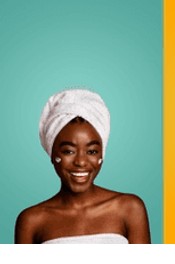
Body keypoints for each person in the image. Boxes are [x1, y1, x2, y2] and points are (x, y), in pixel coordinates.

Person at [15, 89, 150, 244]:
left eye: (92, 151)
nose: (81, 161)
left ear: (101, 155)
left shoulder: (129, 208)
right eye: (68, 151)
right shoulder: (32, 221)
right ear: (52, 154)